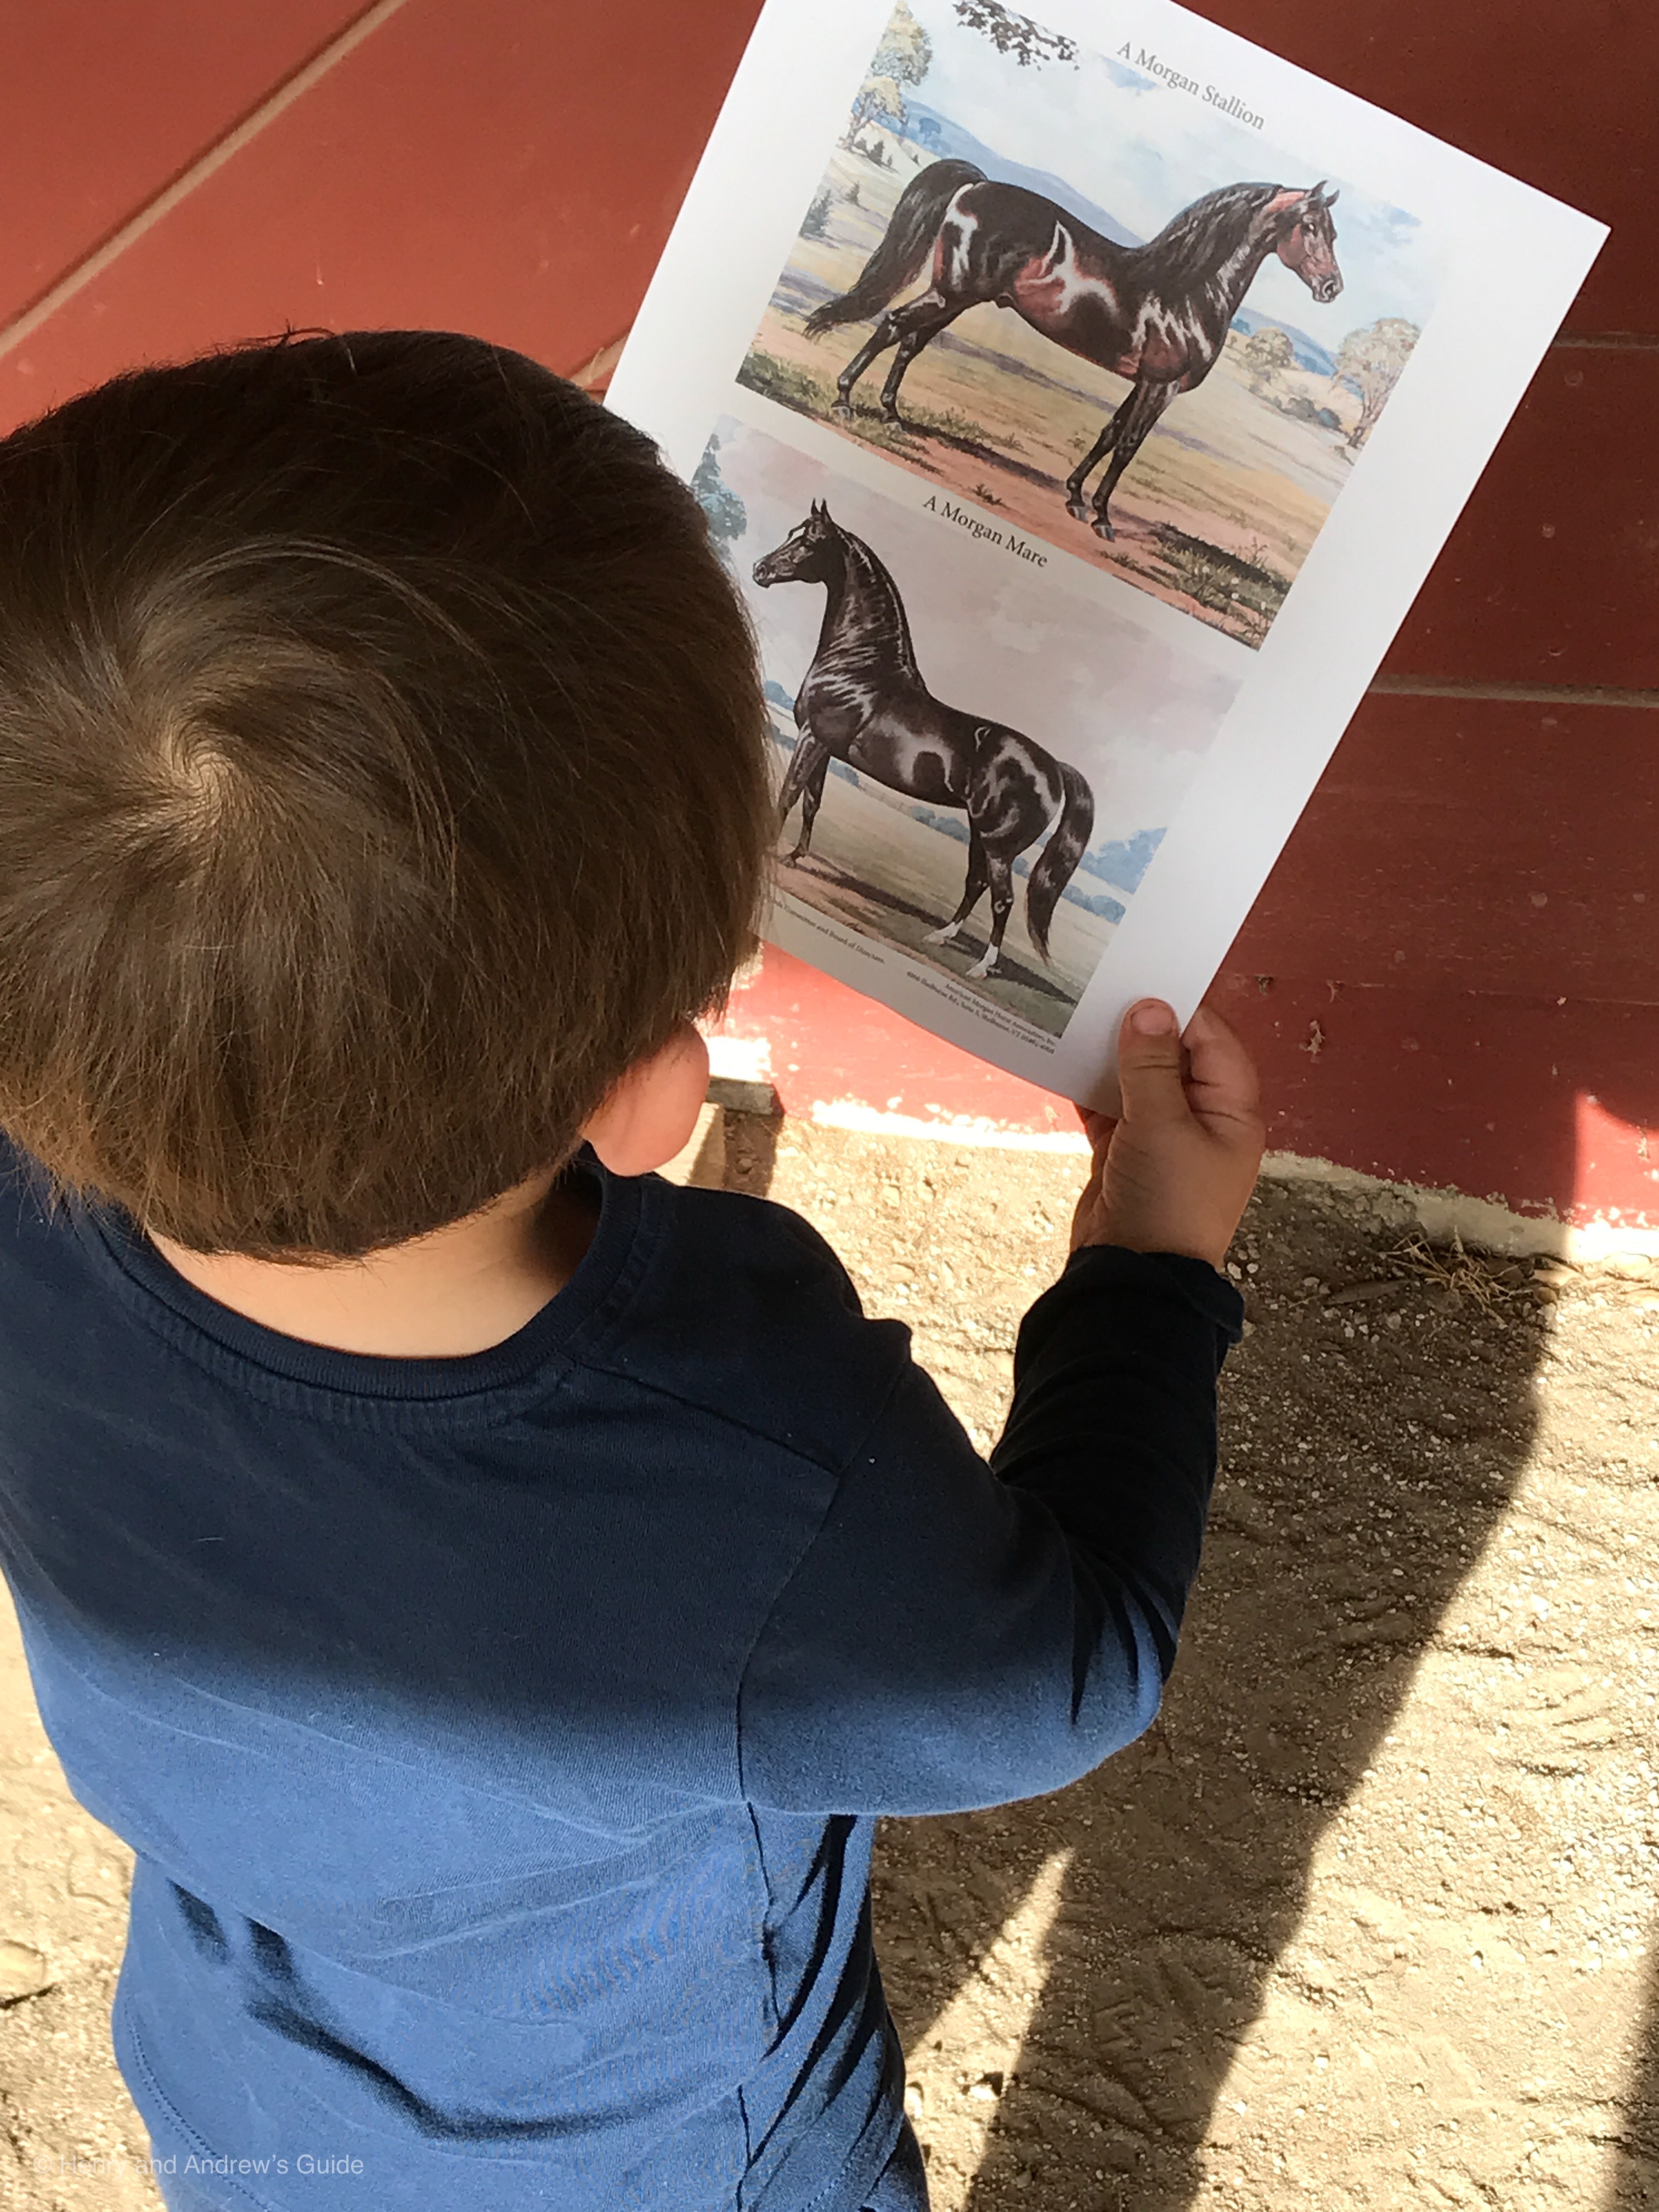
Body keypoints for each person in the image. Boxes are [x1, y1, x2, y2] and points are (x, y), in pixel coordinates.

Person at [0, 330, 1264, 2212]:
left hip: (246, 2096)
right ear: (660, 1085)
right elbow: (1064, 1680)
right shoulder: (757, 1463)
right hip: (667, 2160)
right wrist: (1150, 1270)